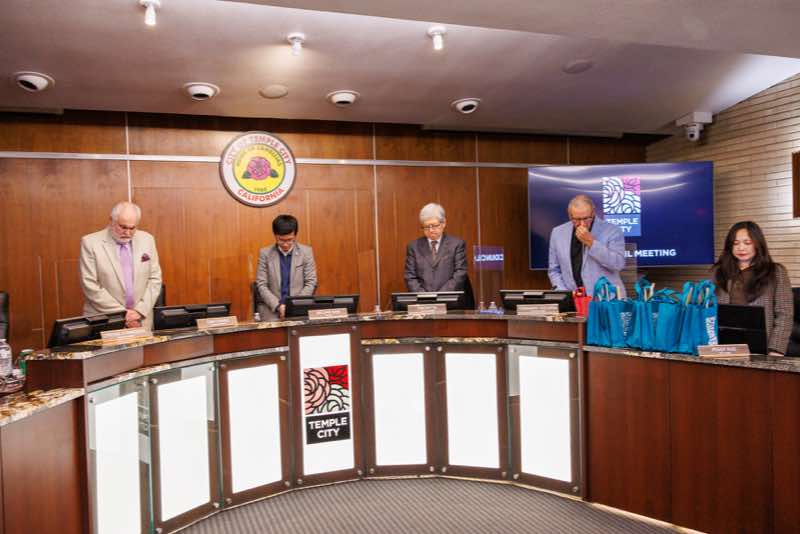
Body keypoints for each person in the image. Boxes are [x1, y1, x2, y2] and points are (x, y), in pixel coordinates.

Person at [713, 221, 793, 356]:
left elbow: (784, 313)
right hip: (723, 346)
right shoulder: (718, 272)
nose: (741, 248)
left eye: (747, 243)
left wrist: (776, 350)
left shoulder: (776, 272)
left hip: (762, 347)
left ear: (758, 244)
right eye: (736, 243)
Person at [79, 201, 163, 330]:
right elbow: (90, 285)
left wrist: (139, 311)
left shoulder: (147, 240)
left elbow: (155, 279)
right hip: (106, 319)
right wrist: (124, 314)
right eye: (123, 227)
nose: (127, 233)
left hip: (140, 319)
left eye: (132, 228)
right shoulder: (90, 243)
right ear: (111, 221)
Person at [548, 194, 625, 296]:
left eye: (586, 218)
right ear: (570, 216)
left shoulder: (612, 231)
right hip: (573, 298)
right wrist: (564, 293)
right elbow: (554, 270)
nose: (582, 224)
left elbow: (618, 264)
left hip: (606, 299)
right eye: (577, 219)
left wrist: (591, 243)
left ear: (593, 213)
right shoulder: (558, 232)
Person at [256, 214, 318, 321]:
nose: (285, 244)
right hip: (271, 309)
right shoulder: (265, 253)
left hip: (298, 306)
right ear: (275, 235)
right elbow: (261, 284)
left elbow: (311, 282)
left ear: (295, 235)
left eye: (289, 240)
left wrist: (293, 305)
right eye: (281, 240)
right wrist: (278, 306)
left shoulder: (306, 252)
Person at [404, 203, 467, 292]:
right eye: (426, 227)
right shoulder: (413, 247)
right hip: (423, 298)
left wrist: (440, 295)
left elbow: (460, 273)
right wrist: (425, 296)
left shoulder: (456, 244)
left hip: (449, 298)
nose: (431, 230)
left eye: (434, 225)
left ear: (443, 223)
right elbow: (410, 276)